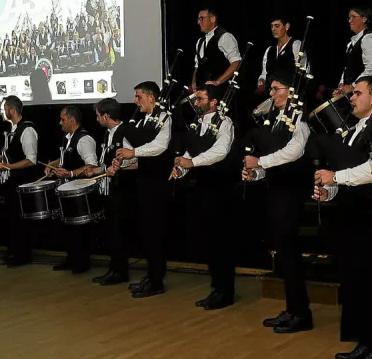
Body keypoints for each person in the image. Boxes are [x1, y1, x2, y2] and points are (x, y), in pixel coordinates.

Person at [310, 76, 372, 359]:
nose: (352, 98)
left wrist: (335, 177)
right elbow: (347, 174)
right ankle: (365, 342)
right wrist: (330, 192)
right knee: (356, 282)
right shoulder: (354, 128)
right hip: (351, 217)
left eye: (358, 93)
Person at [242, 70, 314, 334]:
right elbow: (271, 159)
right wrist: (255, 172)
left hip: (291, 194)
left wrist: (260, 162)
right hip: (275, 192)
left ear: (291, 91)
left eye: (276, 89)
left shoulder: (300, 119)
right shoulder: (275, 120)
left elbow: (293, 153)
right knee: (283, 254)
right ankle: (292, 308)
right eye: (271, 90)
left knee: (291, 254)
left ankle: (301, 313)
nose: (271, 94)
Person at [170, 85, 236, 310]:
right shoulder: (196, 125)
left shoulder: (225, 122)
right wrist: (181, 168)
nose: (196, 103)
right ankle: (216, 288)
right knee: (209, 241)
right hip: (203, 189)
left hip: (221, 190)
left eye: (200, 99)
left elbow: (221, 151)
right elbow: (191, 152)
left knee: (222, 243)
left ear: (214, 102)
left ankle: (225, 292)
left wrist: (192, 163)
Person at [115, 81, 173, 298]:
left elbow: (160, 146)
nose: (135, 101)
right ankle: (151, 275)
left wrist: (134, 152)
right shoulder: (145, 120)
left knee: (155, 232)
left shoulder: (165, 117)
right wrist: (123, 161)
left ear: (151, 97)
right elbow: (137, 154)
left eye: (139, 96)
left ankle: (157, 280)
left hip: (158, 184)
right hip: (144, 182)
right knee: (147, 232)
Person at [86, 98, 136, 286]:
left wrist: (119, 167)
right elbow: (108, 163)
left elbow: (135, 160)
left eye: (98, 115)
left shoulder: (126, 132)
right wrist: (97, 170)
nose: (97, 119)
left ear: (107, 116)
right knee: (111, 231)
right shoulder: (108, 134)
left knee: (118, 232)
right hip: (110, 189)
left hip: (123, 190)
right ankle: (114, 268)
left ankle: (119, 271)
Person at [47, 106, 98, 274]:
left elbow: (91, 165)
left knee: (79, 228)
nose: (59, 123)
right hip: (67, 189)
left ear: (71, 120)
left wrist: (70, 173)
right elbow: (64, 158)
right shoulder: (68, 137)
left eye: (62, 119)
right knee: (67, 226)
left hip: (79, 189)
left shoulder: (84, 140)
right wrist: (52, 165)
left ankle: (82, 261)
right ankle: (71, 258)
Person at [0, 95, 39, 267]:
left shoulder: (27, 130)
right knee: (11, 218)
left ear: (12, 110)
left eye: (4, 109)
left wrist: (8, 167)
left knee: (20, 219)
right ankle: (13, 251)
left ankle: (22, 255)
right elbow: (9, 152)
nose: (2, 113)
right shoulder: (12, 130)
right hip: (10, 180)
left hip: (21, 181)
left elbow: (31, 159)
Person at [192, 8, 242, 91]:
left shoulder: (224, 37)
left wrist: (218, 81)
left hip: (219, 91)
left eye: (201, 18)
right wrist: (194, 83)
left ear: (213, 19)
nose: (198, 22)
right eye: (198, 19)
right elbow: (197, 66)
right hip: (202, 92)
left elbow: (236, 63)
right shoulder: (200, 41)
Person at [335, 7, 372, 96]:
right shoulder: (351, 43)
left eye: (353, 17)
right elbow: (347, 68)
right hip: (353, 93)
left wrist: (352, 86)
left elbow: (371, 70)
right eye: (349, 18)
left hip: (366, 93)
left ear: (364, 19)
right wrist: (342, 85)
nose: (350, 21)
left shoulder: (369, 39)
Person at [257, 16, 303, 93]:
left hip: (289, 93)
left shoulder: (295, 45)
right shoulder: (270, 50)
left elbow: (302, 70)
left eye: (277, 26)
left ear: (287, 26)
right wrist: (261, 80)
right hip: (272, 93)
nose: (273, 29)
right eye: (272, 26)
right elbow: (264, 73)